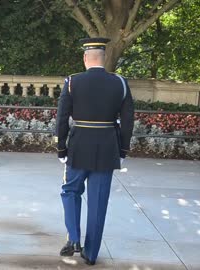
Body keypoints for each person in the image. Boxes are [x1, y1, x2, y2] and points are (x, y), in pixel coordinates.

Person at [54, 37, 134, 265]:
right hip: (108, 147)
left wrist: (61, 148)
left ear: (85, 58)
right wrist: (123, 150)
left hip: (79, 147)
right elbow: (128, 120)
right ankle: (91, 254)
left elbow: (61, 119)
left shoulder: (72, 82)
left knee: (70, 191)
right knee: (98, 202)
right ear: (104, 57)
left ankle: (74, 239)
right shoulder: (120, 82)